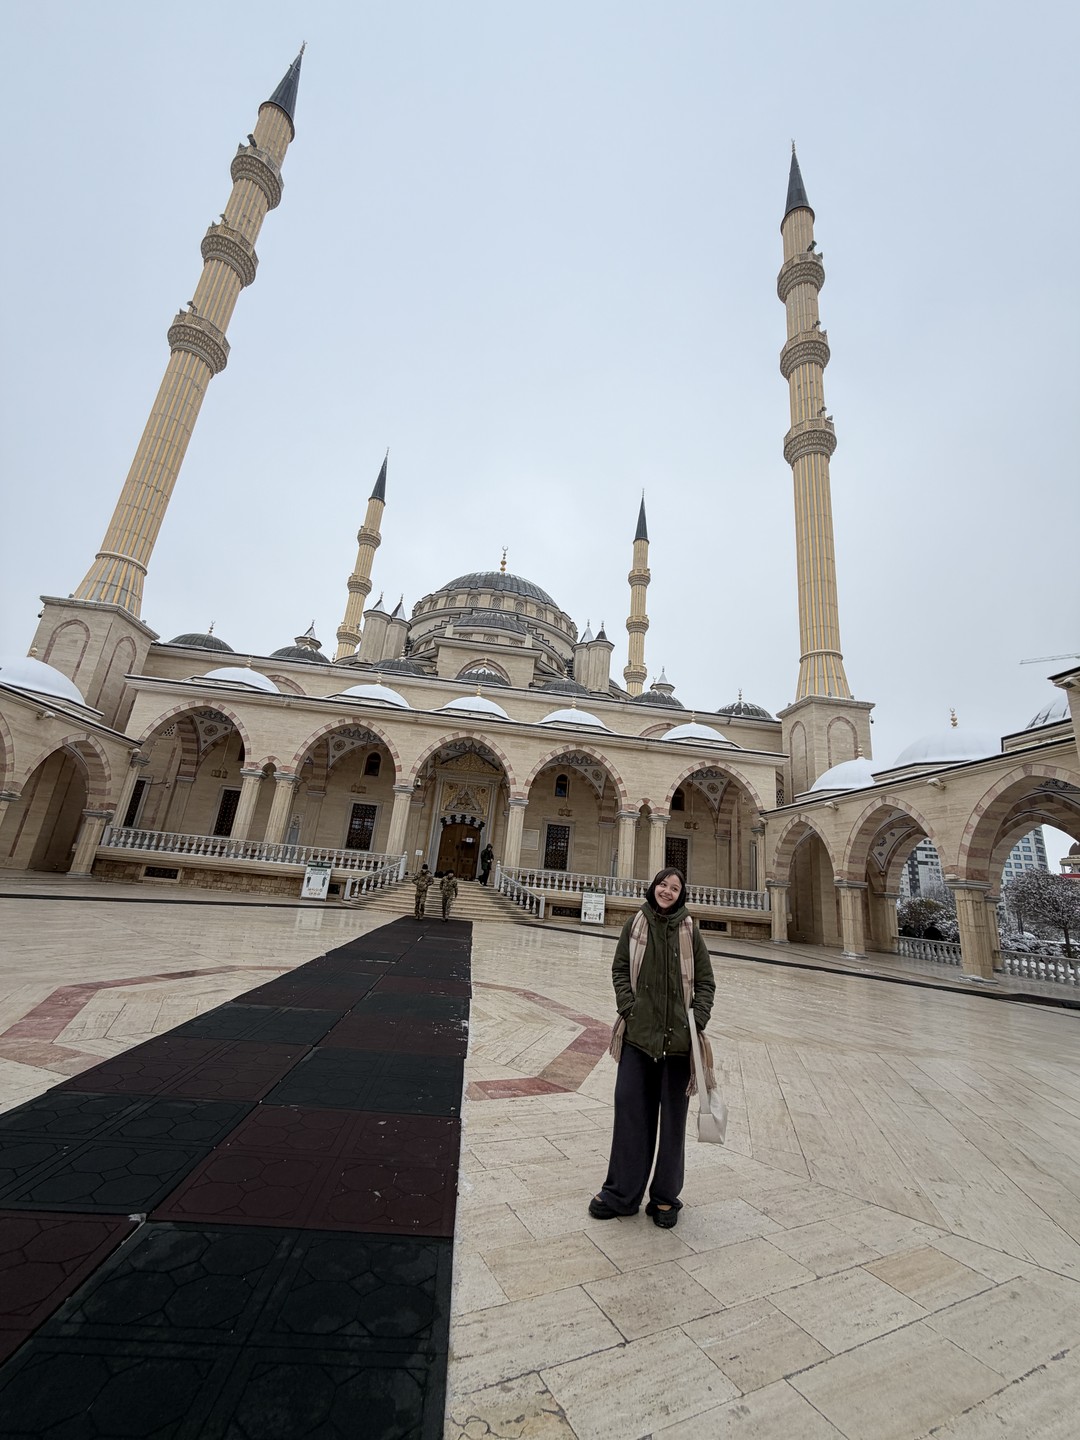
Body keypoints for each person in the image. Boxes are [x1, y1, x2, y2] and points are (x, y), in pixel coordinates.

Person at [589, 866, 715, 1229]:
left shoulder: (690, 930)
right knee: (630, 1115)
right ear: (653, 887)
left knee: (673, 1125)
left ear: (682, 894)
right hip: (638, 1039)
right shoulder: (636, 924)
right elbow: (619, 970)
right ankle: (621, 1193)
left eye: (675, 887)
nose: (667, 891)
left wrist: (698, 1018)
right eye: (663, 884)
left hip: (678, 1044)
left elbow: (705, 981)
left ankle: (664, 1198)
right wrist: (630, 1008)